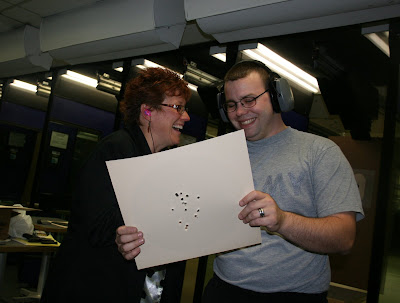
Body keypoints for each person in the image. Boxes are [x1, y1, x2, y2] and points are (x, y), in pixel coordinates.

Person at [116, 60, 364, 303]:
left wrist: (282, 220)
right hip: (225, 289)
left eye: (249, 100)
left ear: (277, 97)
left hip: (296, 295)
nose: (240, 112)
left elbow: (344, 238)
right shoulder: (217, 157)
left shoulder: (319, 152)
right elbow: (181, 219)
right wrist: (137, 239)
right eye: (232, 105)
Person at [41, 67, 191, 303]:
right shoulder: (116, 149)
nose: (186, 116)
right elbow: (98, 226)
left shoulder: (162, 163)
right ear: (148, 112)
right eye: (178, 107)